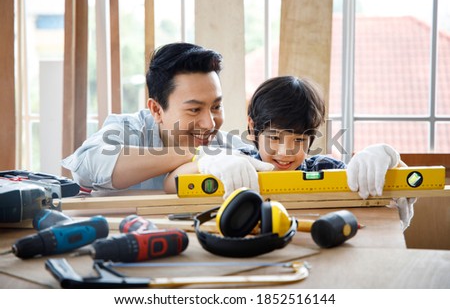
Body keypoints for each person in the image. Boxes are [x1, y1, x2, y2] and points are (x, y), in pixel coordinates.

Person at [165, 75, 416, 229]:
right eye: (274, 137)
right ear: (252, 128)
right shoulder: (240, 166)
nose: (286, 152)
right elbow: (172, 183)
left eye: (298, 139)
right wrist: (210, 163)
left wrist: (390, 158)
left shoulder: (324, 169)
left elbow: (389, 182)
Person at [61, 42, 273, 191]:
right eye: (194, 109)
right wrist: (198, 155)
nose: (209, 123)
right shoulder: (129, 130)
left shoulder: (229, 149)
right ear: (156, 110)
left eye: (216, 106)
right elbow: (86, 167)